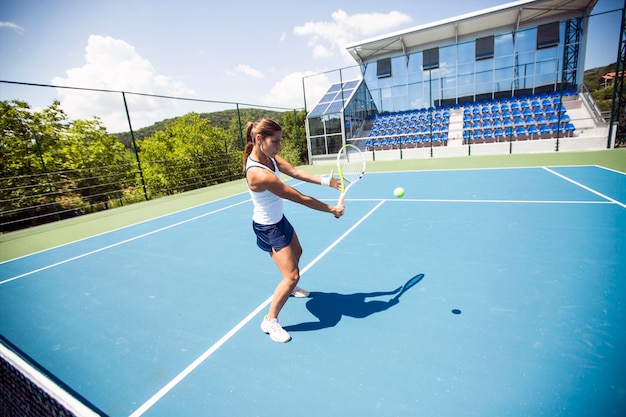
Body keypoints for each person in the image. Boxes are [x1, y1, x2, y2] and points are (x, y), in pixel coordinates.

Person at [243, 118, 344, 343]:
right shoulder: (259, 173)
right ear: (259, 139)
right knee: (292, 274)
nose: (279, 147)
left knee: (297, 252)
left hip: (279, 220)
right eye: (275, 142)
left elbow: (295, 172)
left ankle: (290, 287)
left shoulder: (270, 158)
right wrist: (331, 209)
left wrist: (326, 182)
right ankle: (270, 320)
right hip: (268, 227)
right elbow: (298, 197)